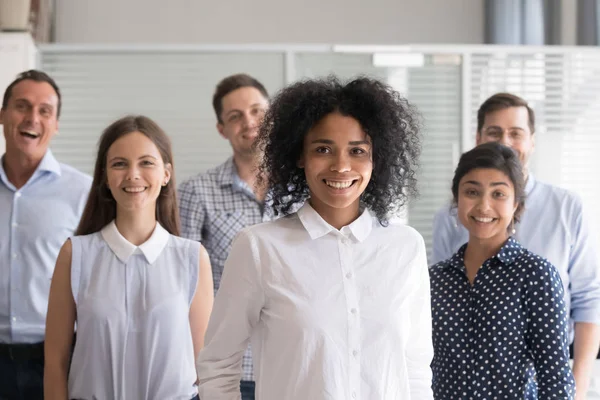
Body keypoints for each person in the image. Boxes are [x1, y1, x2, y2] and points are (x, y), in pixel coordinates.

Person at [196, 76, 433, 399]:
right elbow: (218, 363)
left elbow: (416, 367)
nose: (341, 166)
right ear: (299, 155)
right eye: (323, 149)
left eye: (357, 151)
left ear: (377, 158)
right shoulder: (260, 247)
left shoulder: (406, 247)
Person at [431, 93, 600, 397]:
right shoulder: (436, 277)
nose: (484, 206)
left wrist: (581, 385)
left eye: (498, 194)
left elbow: (555, 374)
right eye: (471, 192)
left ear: (516, 205)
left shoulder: (539, 271)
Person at [43, 115, 214, 400]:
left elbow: (205, 369)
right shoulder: (76, 254)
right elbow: (55, 364)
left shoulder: (192, 257)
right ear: (105, 178)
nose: (133, 174)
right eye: (119, 164)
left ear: (166, 174)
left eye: (146, 162)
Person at [178, 73, 270, 399]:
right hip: (230, 369)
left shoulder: (305, 189)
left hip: (292, 362)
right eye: (236, 116)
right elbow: (183, 288)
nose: (249, 122)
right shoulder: (196, 193)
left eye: (257, 111)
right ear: (222, 129)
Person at [0, 70, 91, 399]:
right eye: (21, 106)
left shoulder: (82, 192)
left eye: (44, 111)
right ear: (3, 114)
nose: (32, 119)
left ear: (56, 124)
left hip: (55, 359)